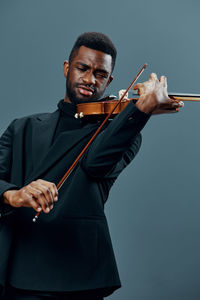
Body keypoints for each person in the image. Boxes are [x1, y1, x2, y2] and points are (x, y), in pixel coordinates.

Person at [0, 32, 183, 300]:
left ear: (109, 80)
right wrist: (14, 195)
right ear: (67, 68)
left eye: (100, 74)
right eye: (82, 68)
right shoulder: (22, 127)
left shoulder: (122, 132)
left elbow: (96, 164)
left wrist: (139, 111)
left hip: (79, 273)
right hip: (21, 265)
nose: (89, 79)